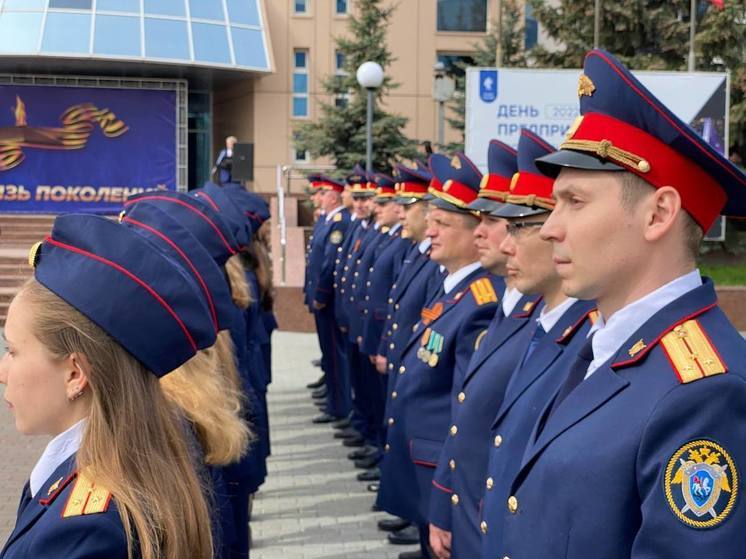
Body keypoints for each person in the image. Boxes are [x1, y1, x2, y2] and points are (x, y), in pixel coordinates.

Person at [496, 49, 746, 558]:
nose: (549, 227)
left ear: (659, 214)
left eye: (575, 201)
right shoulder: (601, 343)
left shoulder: (704, 393)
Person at [0, 214, 216, 559]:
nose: (2, 371)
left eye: (13, 350)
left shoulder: (85, 529)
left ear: (75, 374)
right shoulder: (94, 478)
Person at [377, 152, 503, 559]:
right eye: (430, 221)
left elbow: (463, 405)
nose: (430, 231)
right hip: (425, 459)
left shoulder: (481, 301)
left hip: (442, 469)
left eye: (442, 224)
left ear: (475, 233)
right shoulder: (453, 288)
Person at [306, 176, 352, 423]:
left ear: (332, 196)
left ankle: (339, 406)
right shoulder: (328, 220)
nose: (317, 198)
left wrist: (321, 295)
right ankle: (334, 399)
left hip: (331, 301)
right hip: (323, 299)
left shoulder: (339, 222)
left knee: (336, 355)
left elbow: (329, 263)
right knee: (330, 353)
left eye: (321, 194)